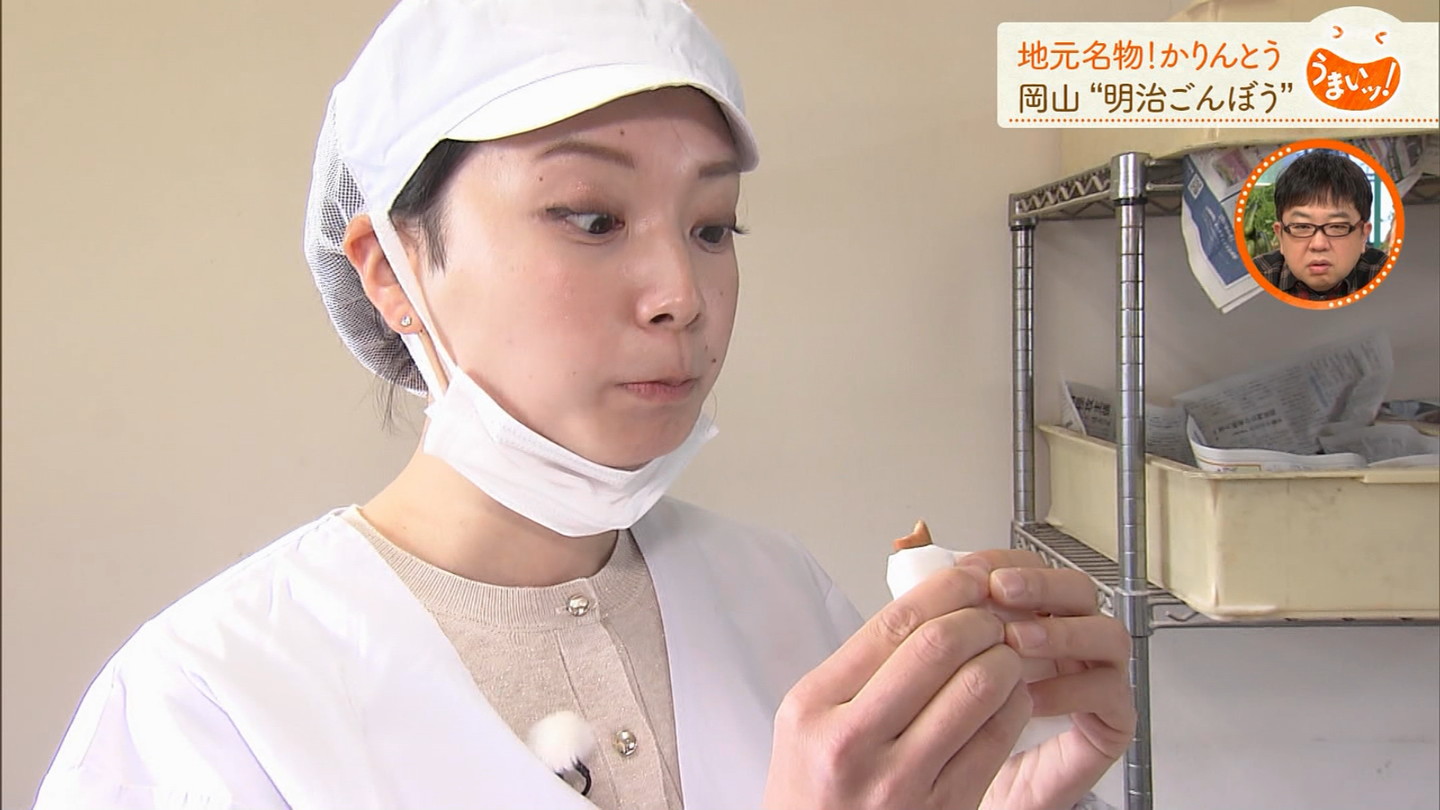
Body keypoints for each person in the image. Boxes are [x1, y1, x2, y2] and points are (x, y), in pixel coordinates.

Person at [33, 2, 1135, 809]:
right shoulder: (206, 712)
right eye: (592, 218)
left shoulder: (782, 598)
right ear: (391, 271)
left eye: (713, 226)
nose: (682, 295)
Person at [1253, 149, 1388, 302]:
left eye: (1337, 226)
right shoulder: (1254, 279)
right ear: (1280, 235)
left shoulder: (1388, 276)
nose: (1318, 245)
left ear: (1363, 234)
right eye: (1302, 227)